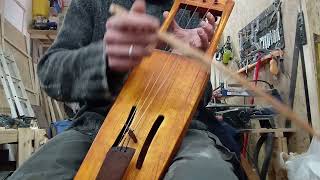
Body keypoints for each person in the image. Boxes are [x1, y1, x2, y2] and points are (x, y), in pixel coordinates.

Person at [8, 0, 238, 179]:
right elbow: (50, 75)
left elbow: (203, 97)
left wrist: (195, 66)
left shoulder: (195, 9)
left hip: (181, 129)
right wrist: (106, 58)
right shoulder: (91, 4)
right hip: (95, 126)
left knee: (206, 172)